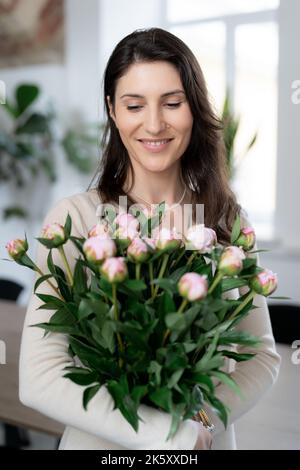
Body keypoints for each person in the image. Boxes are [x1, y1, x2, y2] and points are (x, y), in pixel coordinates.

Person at [19, 28, 280, 450]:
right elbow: (40, 377)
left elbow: (262, 357)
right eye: (134, 105)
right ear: (112, 110)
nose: (154, 124)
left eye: (172, 103)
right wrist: (168, 436)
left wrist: (201, 426)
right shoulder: (76, 220)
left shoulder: (226, 220)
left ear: (193, 107)